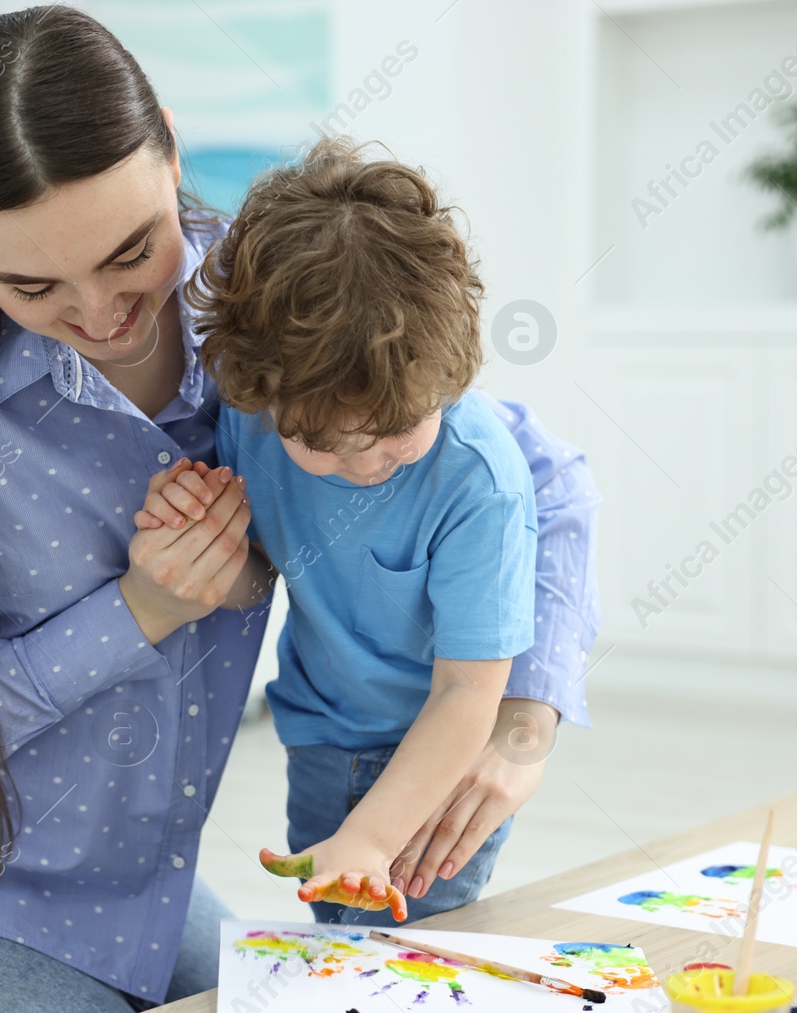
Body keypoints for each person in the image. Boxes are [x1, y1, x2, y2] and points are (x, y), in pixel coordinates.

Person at [0, 6, 599, 1013]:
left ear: (168, 149)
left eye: (131, 250)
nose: (103, 311)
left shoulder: (261, 301)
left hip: (141, 899)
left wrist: (520, 715)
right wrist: (139, 612)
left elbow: (538, 471)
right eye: (29, 284)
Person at [134, 138, 537, 926]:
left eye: (394, 430)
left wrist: (375, 834)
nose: (364, 465)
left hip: (439, 765)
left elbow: (467, 693)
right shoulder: (252, 422)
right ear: (260, 390)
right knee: (342, 953)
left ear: (447, 374)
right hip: (317, 737)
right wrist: (198, 533)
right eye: (320, 442)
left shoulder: (477, 480)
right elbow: (255, 578)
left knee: (408, 962)